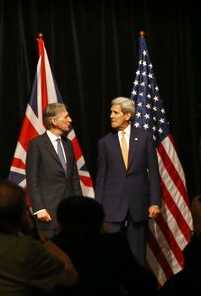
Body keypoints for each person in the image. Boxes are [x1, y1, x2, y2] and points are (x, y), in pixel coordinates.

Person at [95, 96, 161, 265]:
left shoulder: (144, 138)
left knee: (137, 255)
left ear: (127, 115)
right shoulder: (105, 143)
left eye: (115, 112)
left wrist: (155, 202)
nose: (111, 115)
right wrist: (98, 206)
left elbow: (153, 172)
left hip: (138, 204)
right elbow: (101, 176)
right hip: (111, 206)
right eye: (111, 112)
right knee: (109, 255)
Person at [25, 103, 81, 236]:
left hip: (69, 213)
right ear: (53, 121)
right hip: (48, 213)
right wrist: (39, 208)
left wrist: (79, 205)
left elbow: (74, 178)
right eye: (66, 117)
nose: (70, 120)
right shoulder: (37, 145)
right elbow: (32, 179)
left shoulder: (68, 144)